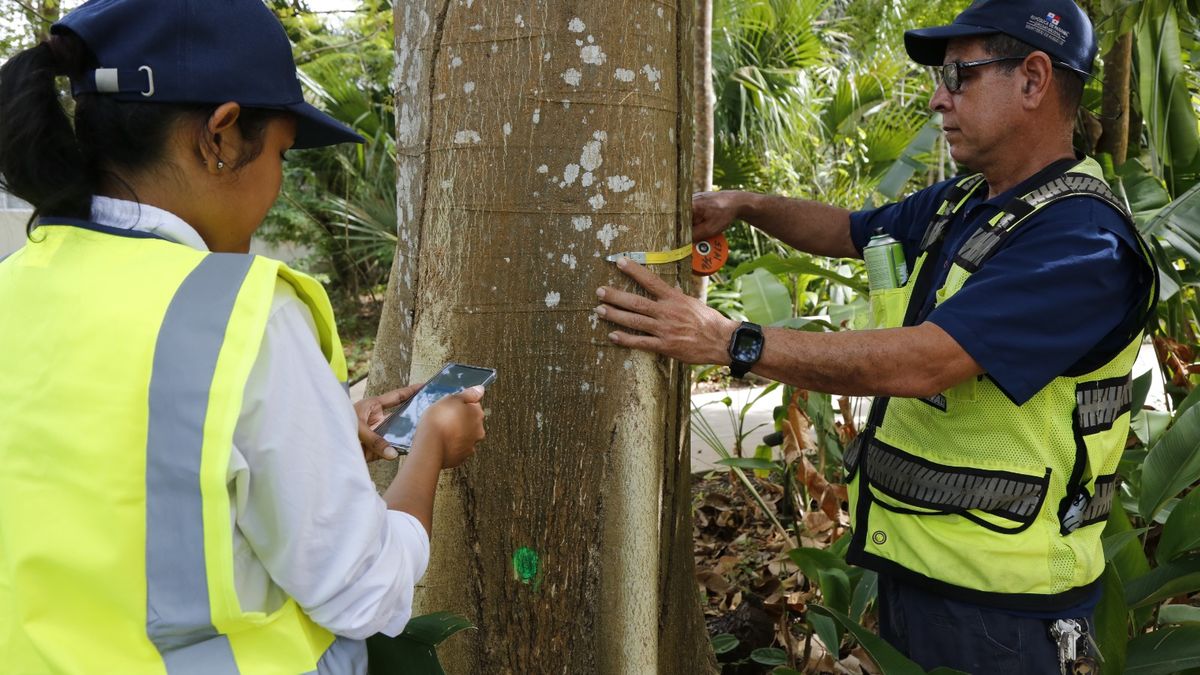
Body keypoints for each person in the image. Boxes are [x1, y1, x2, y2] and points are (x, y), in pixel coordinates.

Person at [596, 0, 1157, 672]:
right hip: (918, 577)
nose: (936, 100)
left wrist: (732, 340)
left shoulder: (1082, 243)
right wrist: (745, 205)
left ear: (1033, 79)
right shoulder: (966, 202)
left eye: (957, 76)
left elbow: (926, 362)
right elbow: (847, 230)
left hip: (1006, 609)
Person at [0, 1, 484, 672]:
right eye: (282, 152)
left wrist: (326, 431)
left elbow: (100, 463)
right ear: (221, 135)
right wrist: (429, 443)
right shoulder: (240, 314)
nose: (279, 183)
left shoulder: (13, 282)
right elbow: (367, 592)